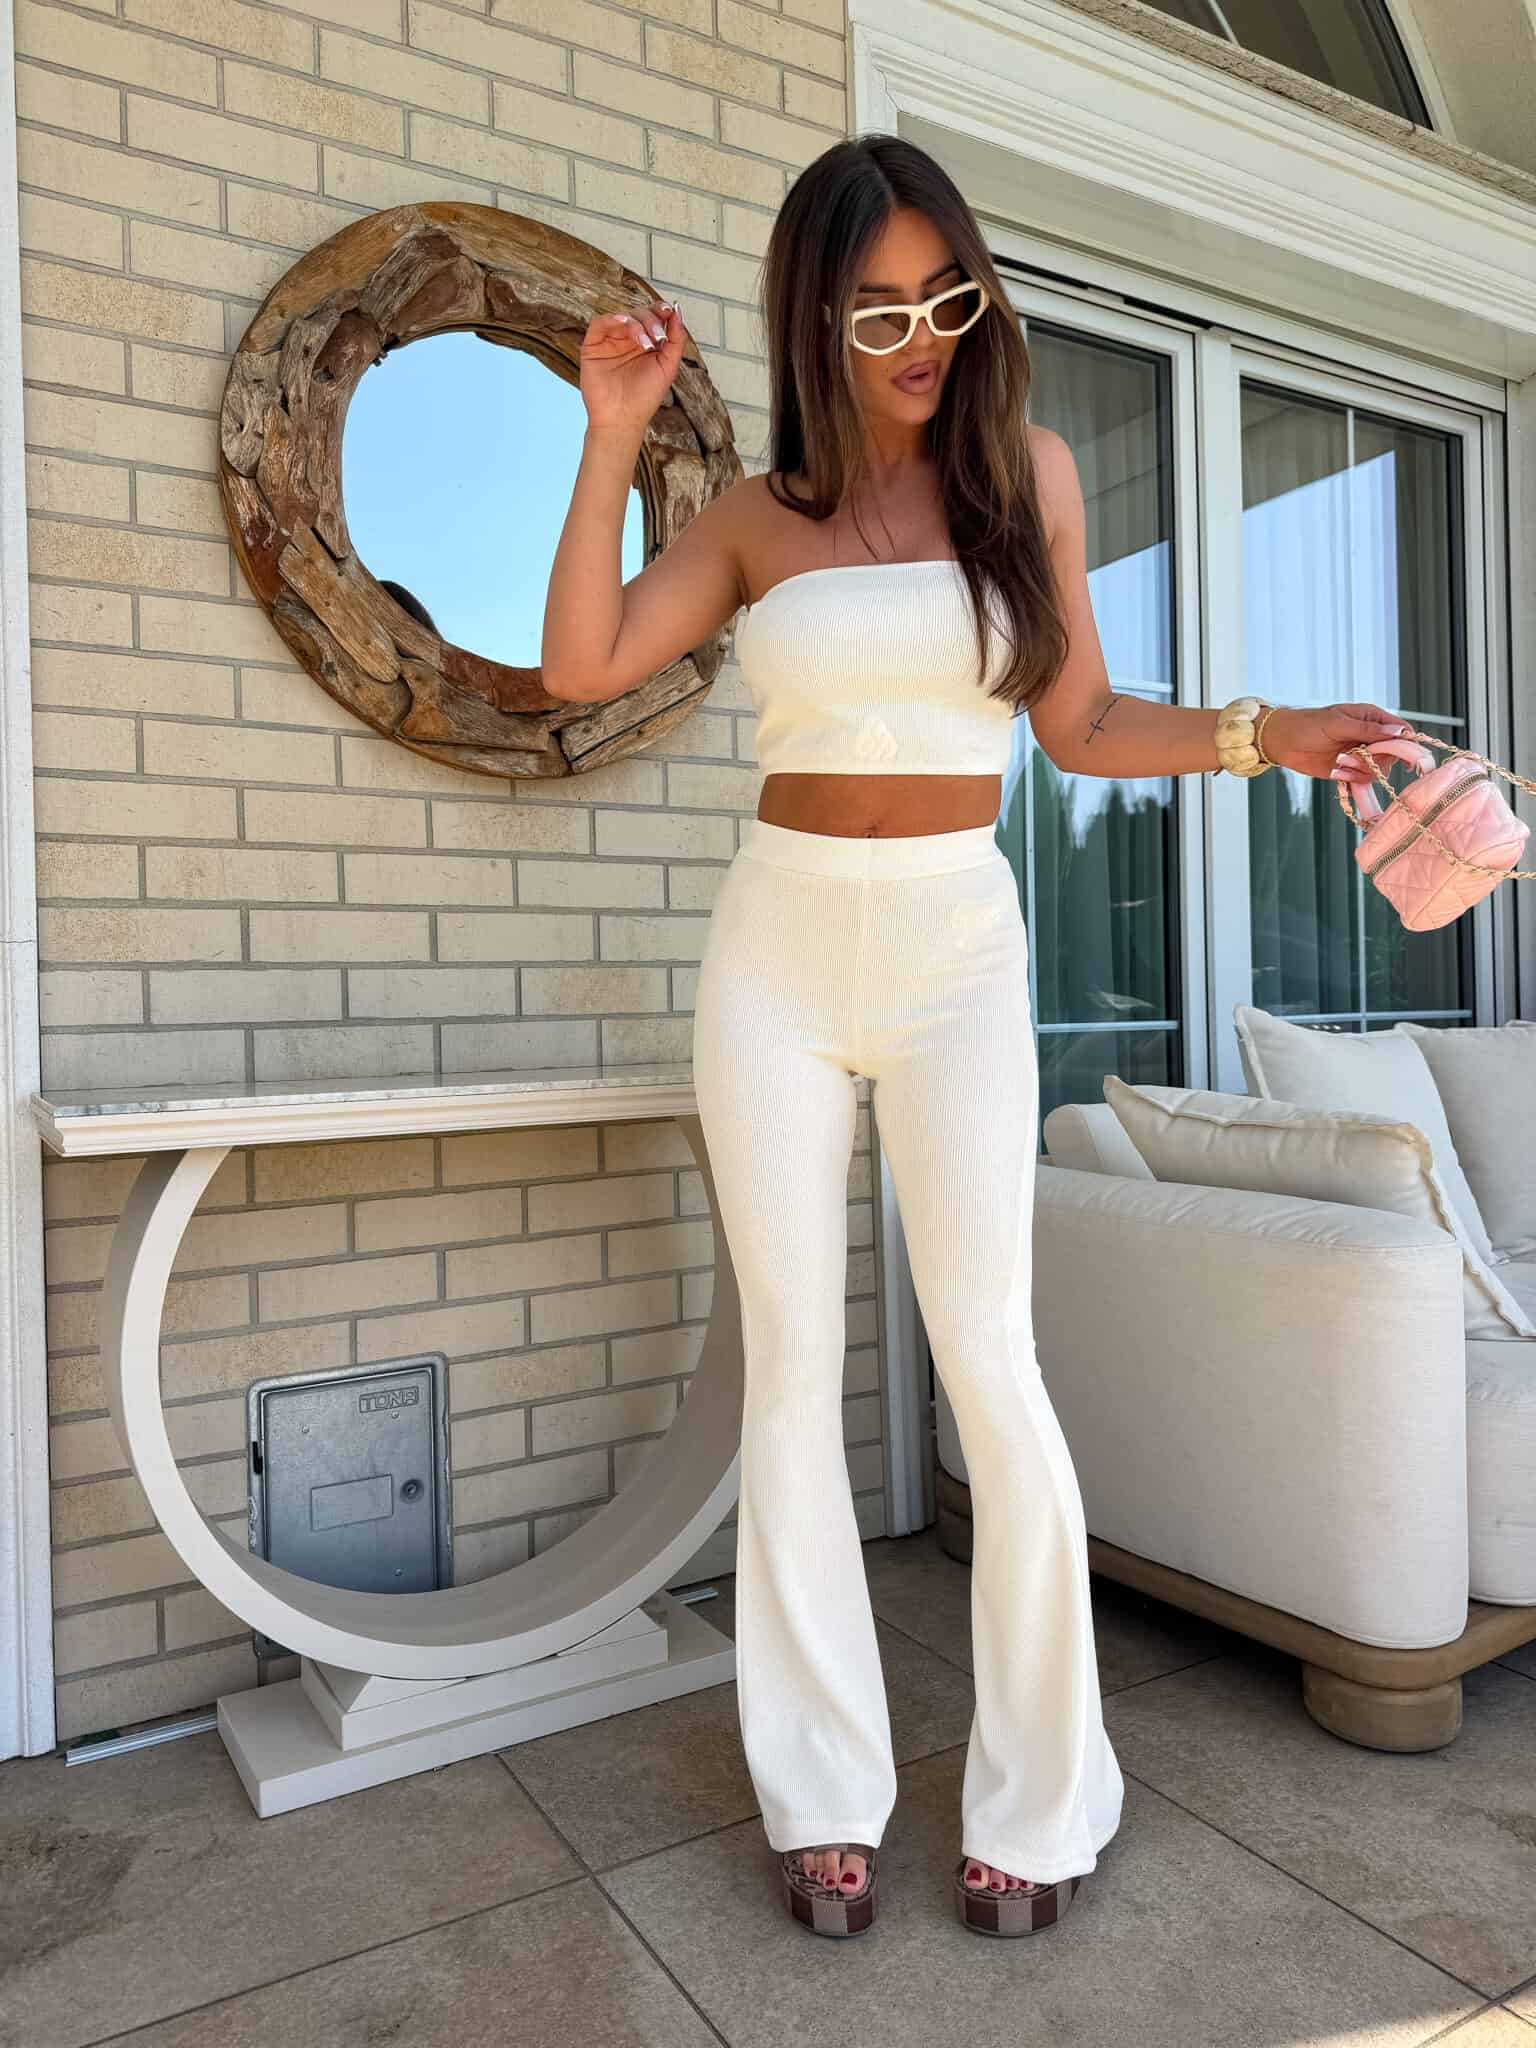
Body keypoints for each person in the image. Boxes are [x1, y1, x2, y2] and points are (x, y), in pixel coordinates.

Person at [542, 133, 1411, 1939]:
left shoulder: (1028, 476)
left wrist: (1274, 734)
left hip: (954, 945)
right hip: (777, 952)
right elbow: (583, 665)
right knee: (792, 1375)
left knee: (992, 1370)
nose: (921, 339)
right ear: (815, 318)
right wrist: (613, 431)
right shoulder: (755, 518)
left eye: (946, 298)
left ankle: (1039, 1794)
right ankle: (821, 1789)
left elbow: (1080, 726)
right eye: (877, 311)